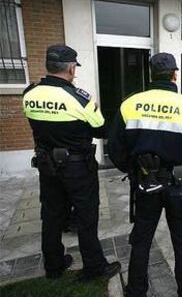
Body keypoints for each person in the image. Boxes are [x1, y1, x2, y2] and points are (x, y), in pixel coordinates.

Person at [108, 52, 182, 297]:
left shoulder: (130, 104)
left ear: (150, 74)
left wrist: (135, 171)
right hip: (179, 185)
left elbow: (114, 149)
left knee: (142, 238)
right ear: (175, 74)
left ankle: (136, 291)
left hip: (146, 183)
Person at [22, 44, 121, 280]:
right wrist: (91, 112)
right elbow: (100, 129)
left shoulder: (30, 93)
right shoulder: (78, 97)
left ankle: (54, 265)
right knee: (86, 217)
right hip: (77, 168)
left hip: (47, 166)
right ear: (70, 68)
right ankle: (94, 268)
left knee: (52, 215)